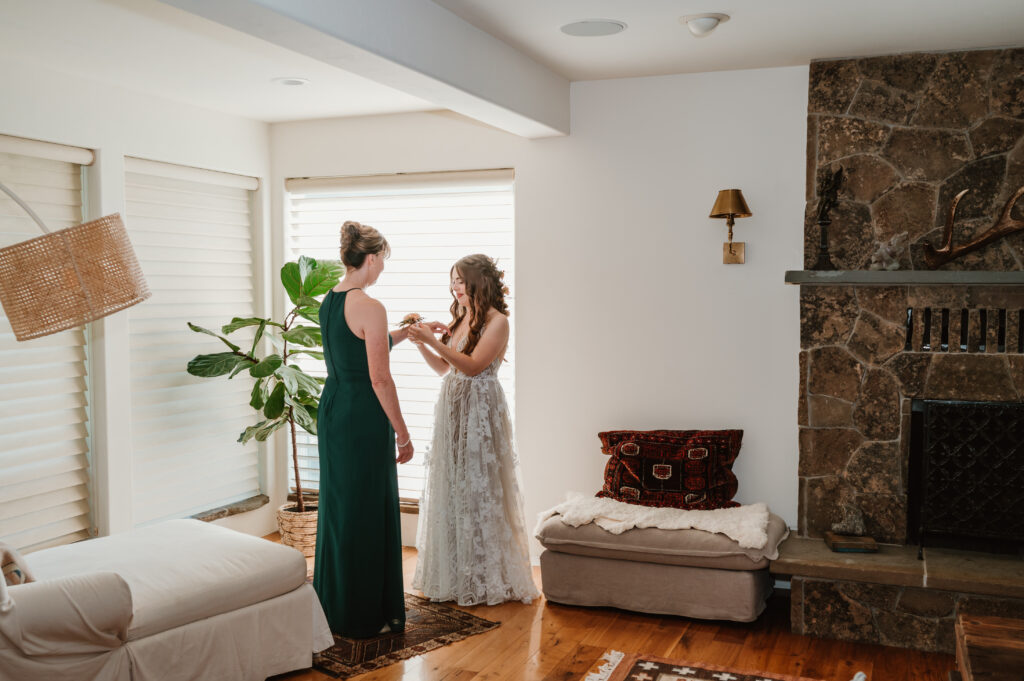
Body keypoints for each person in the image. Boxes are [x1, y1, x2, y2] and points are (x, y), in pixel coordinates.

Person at [313, 220, 446, 637]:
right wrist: (403, 434)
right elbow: (379, 379)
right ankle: (365, 613)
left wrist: (406, 333)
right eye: (383, 260)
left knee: (341, 507)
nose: (383, 268)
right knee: (367, 508)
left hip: (333, 409)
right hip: (362, 416)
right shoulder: (370, 305)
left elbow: (357, 347)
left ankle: (335, 607)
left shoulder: (330, 299)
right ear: (370, 259)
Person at [406, 254, 539, 606]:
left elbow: (474, 366)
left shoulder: (499, 321)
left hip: (480, 410)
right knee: (454, 484)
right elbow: (444, 369)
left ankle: (485, 576)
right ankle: (455, 573)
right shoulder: (462, 317)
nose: (455, 287)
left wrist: (434, 341)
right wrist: (421, 343)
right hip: (453, 407)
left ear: (479, 282)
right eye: (452, 281)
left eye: (461, 281)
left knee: (479, 487)